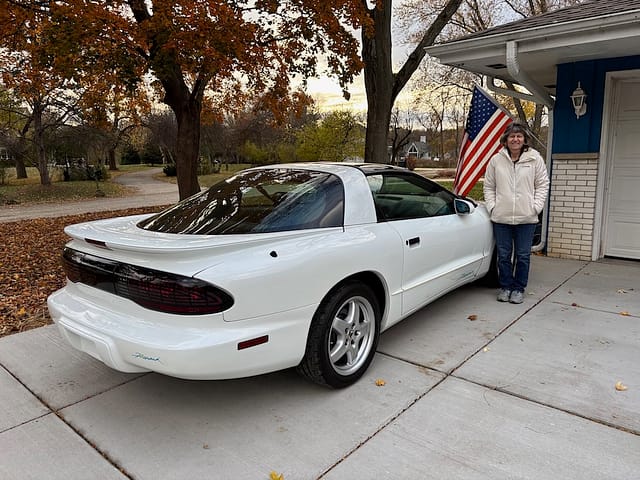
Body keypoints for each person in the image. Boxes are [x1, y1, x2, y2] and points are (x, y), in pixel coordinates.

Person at [483, 122, 549, 304]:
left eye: (519, 136)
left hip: (526, 218)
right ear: (505, 139)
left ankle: (518, 288)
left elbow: (542, 185)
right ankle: (505, 287)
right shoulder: (496, 160)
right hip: (501, 217)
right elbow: (489, 186)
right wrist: (492, 207)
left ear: (524, 139)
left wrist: (535, 207)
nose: (515, 139)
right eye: (512, 136)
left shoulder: (535, 159)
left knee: (523, 255)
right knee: (503, 255)